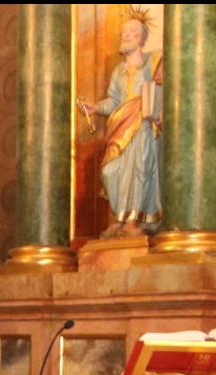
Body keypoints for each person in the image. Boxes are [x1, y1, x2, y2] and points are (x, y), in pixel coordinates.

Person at [80, 9, 163, 237]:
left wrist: (157, 112)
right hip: (121, 126)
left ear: (142, 38)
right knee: (111, 170)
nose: (126, 35)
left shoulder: (152, 62)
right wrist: (96, 108)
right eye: (124, 32)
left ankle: (134, 218)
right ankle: (120, 216)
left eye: (132, 32)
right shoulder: (118, 71)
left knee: (141, 168)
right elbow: (114, 101)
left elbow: (161, 90)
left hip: (144, 124)